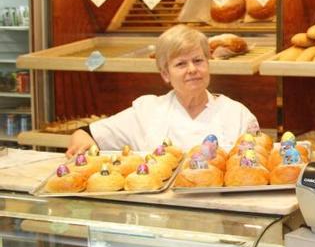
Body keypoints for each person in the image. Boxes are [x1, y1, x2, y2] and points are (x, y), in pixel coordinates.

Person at [65, 25, 258, 156]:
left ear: (208, 64)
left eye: (198, 61)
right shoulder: (147, 111)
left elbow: (255, 163)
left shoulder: (237, 114)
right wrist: (80, 139)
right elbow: (88, 133)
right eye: (181, 64)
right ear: (166, 74)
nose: (192, 69)